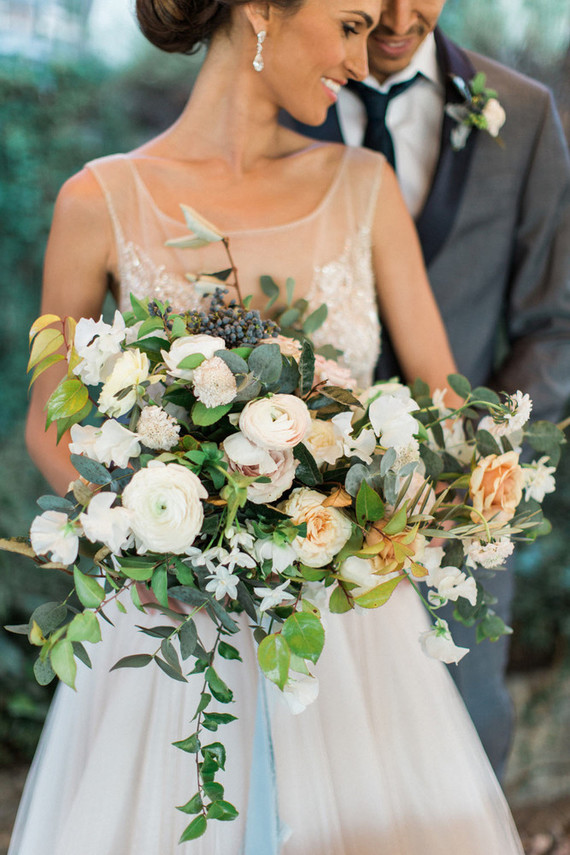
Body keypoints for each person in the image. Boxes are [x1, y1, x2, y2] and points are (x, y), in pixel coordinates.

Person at [11, 1, 525, 853]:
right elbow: (49, 425)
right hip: (175, 631)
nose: (362, 62)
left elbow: (445, 408)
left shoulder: (364, 186)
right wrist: (149, 541)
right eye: (351, 25)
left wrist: (412, 504)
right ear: (260, 10)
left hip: (351, 636)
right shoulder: (98, 200)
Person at [284, 0, 570, 780]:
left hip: (455, 517)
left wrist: (470, 463)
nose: (398, 18)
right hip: (298, 517)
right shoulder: (277, 100)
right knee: (311, 761)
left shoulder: (523, 116)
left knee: (461, 752)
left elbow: (555, 326)